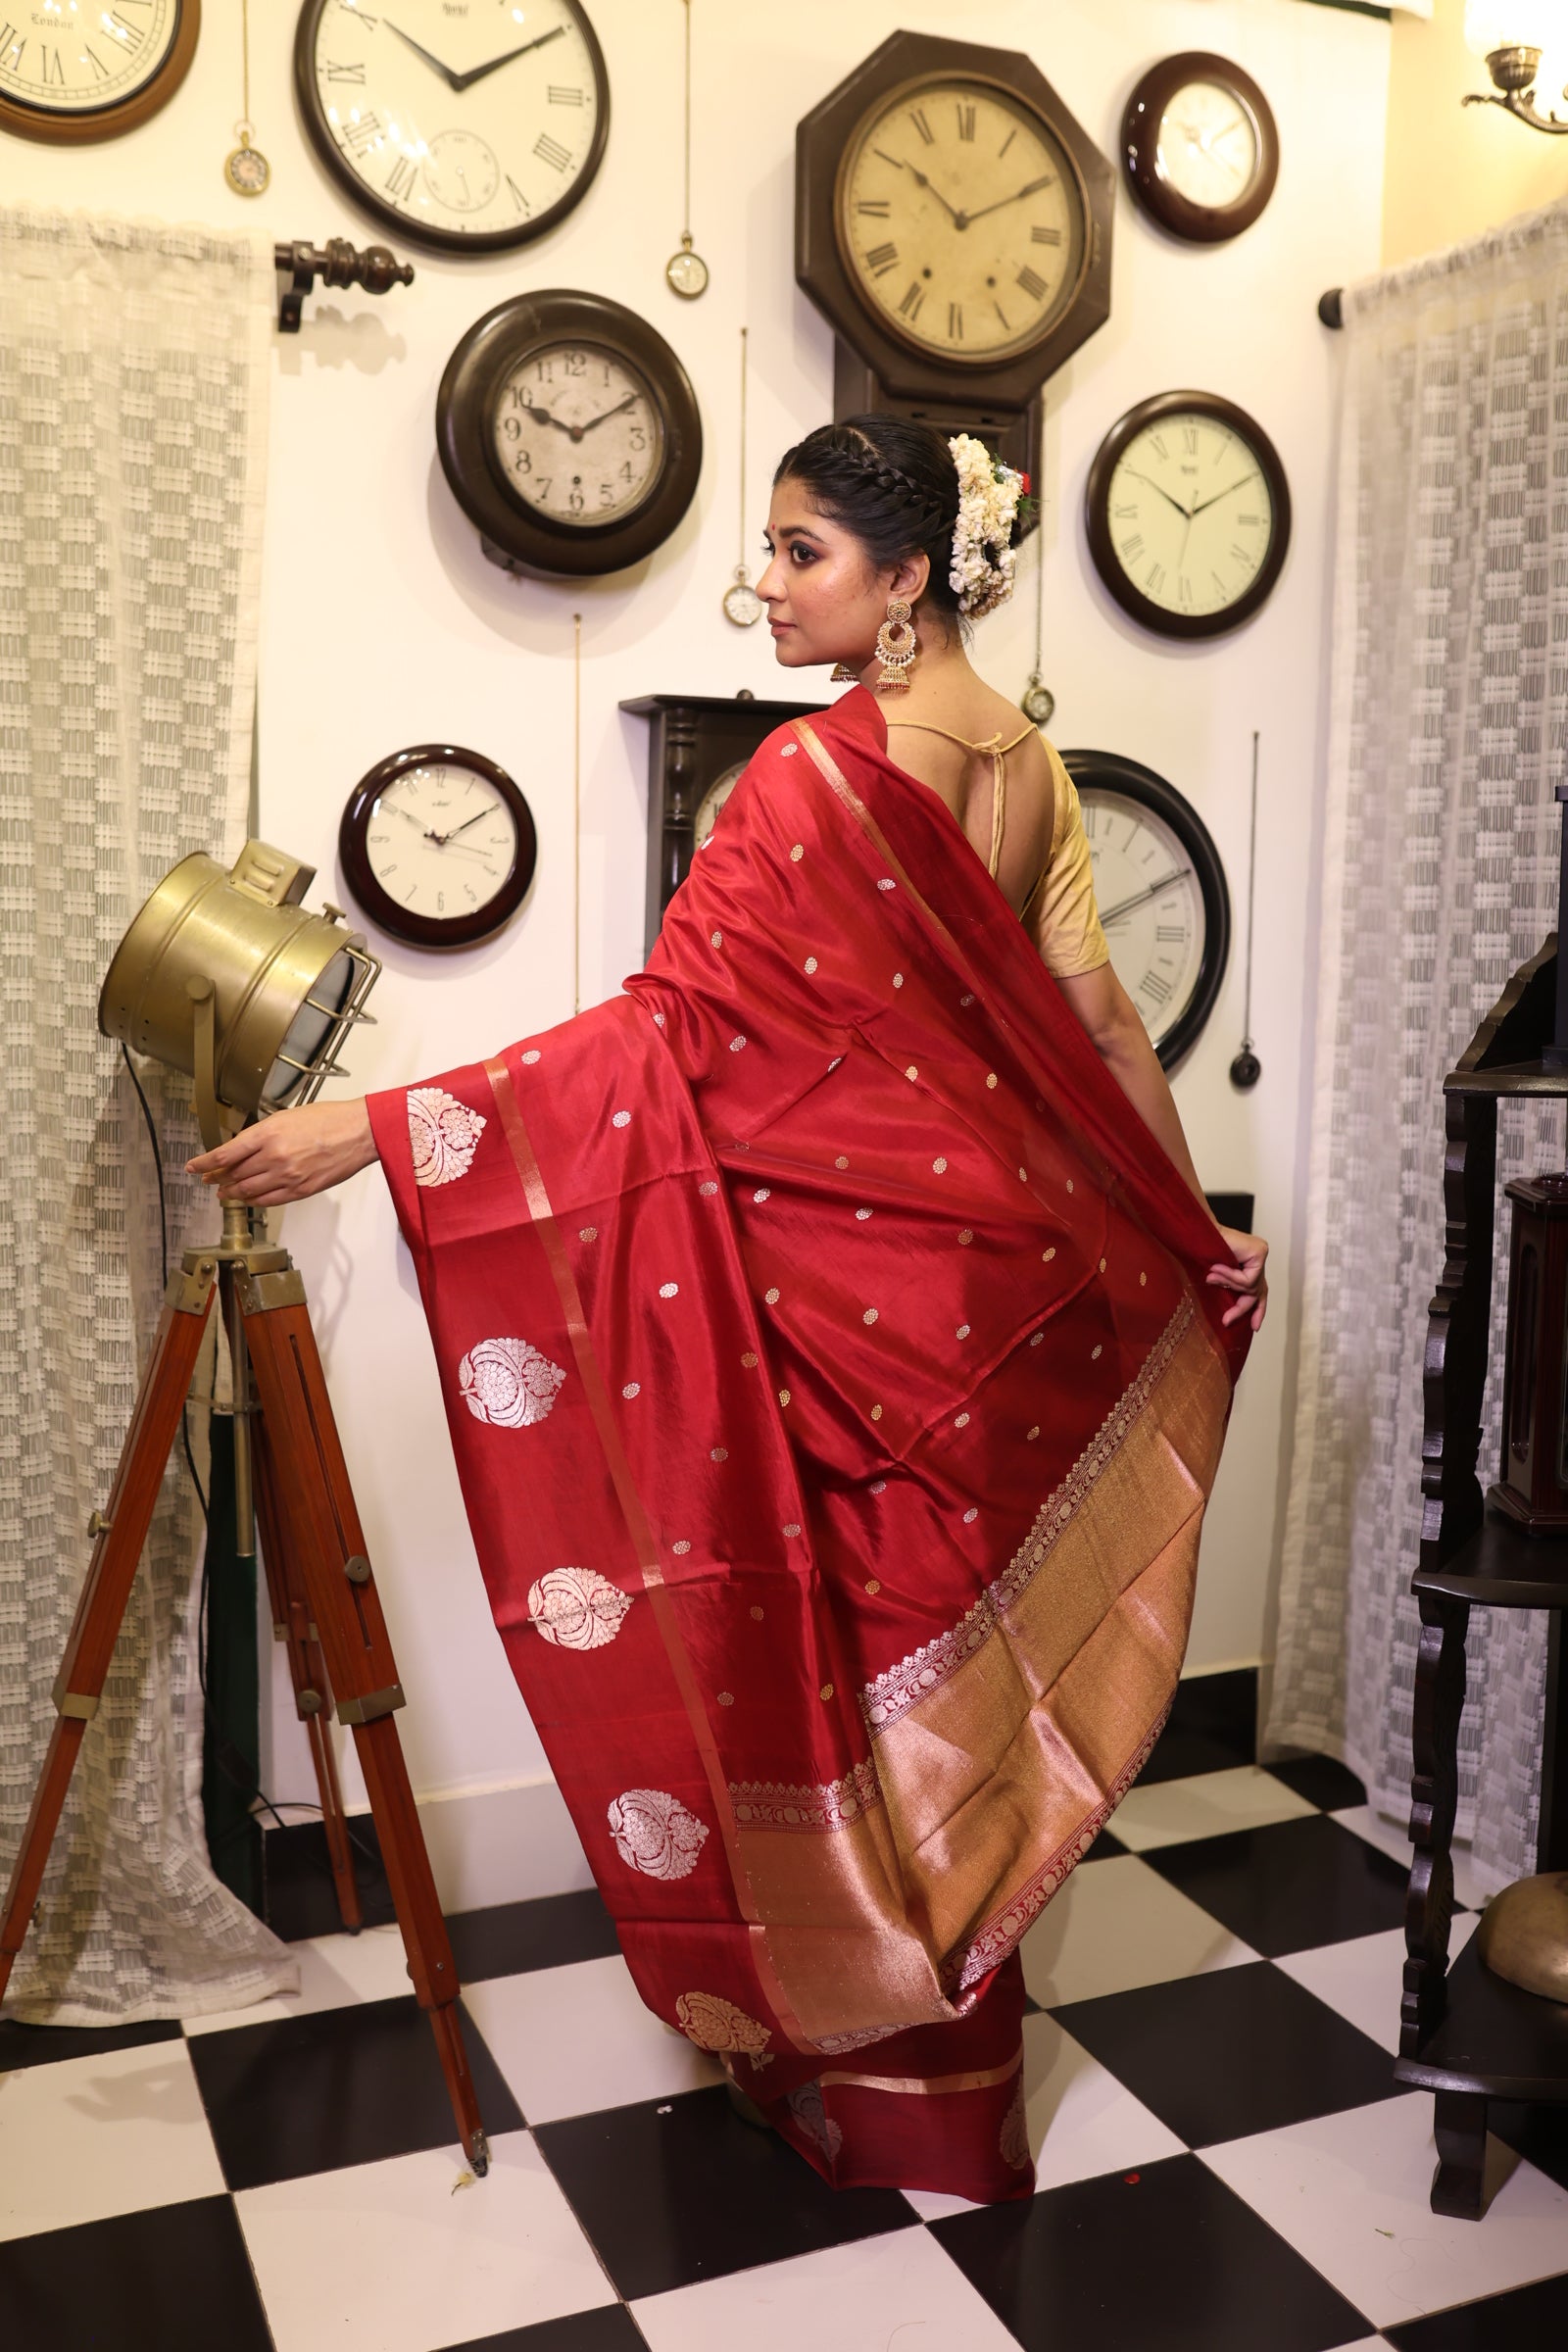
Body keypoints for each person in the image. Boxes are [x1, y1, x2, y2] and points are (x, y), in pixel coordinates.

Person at [190, 418, 1266, 2204]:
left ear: (908, 575)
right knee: (967, 1676)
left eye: (800, 554)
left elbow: (659, 1044)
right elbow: (1107, 1039)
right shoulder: (1037, 772)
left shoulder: (803, 787)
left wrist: (370, 1128)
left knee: (860, 1673)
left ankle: (861, 2051)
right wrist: (1185, 1233)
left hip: (860, 1301)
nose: (761, 586)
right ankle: (956, 2078)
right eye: (766, 552)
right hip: (1000, 1290)